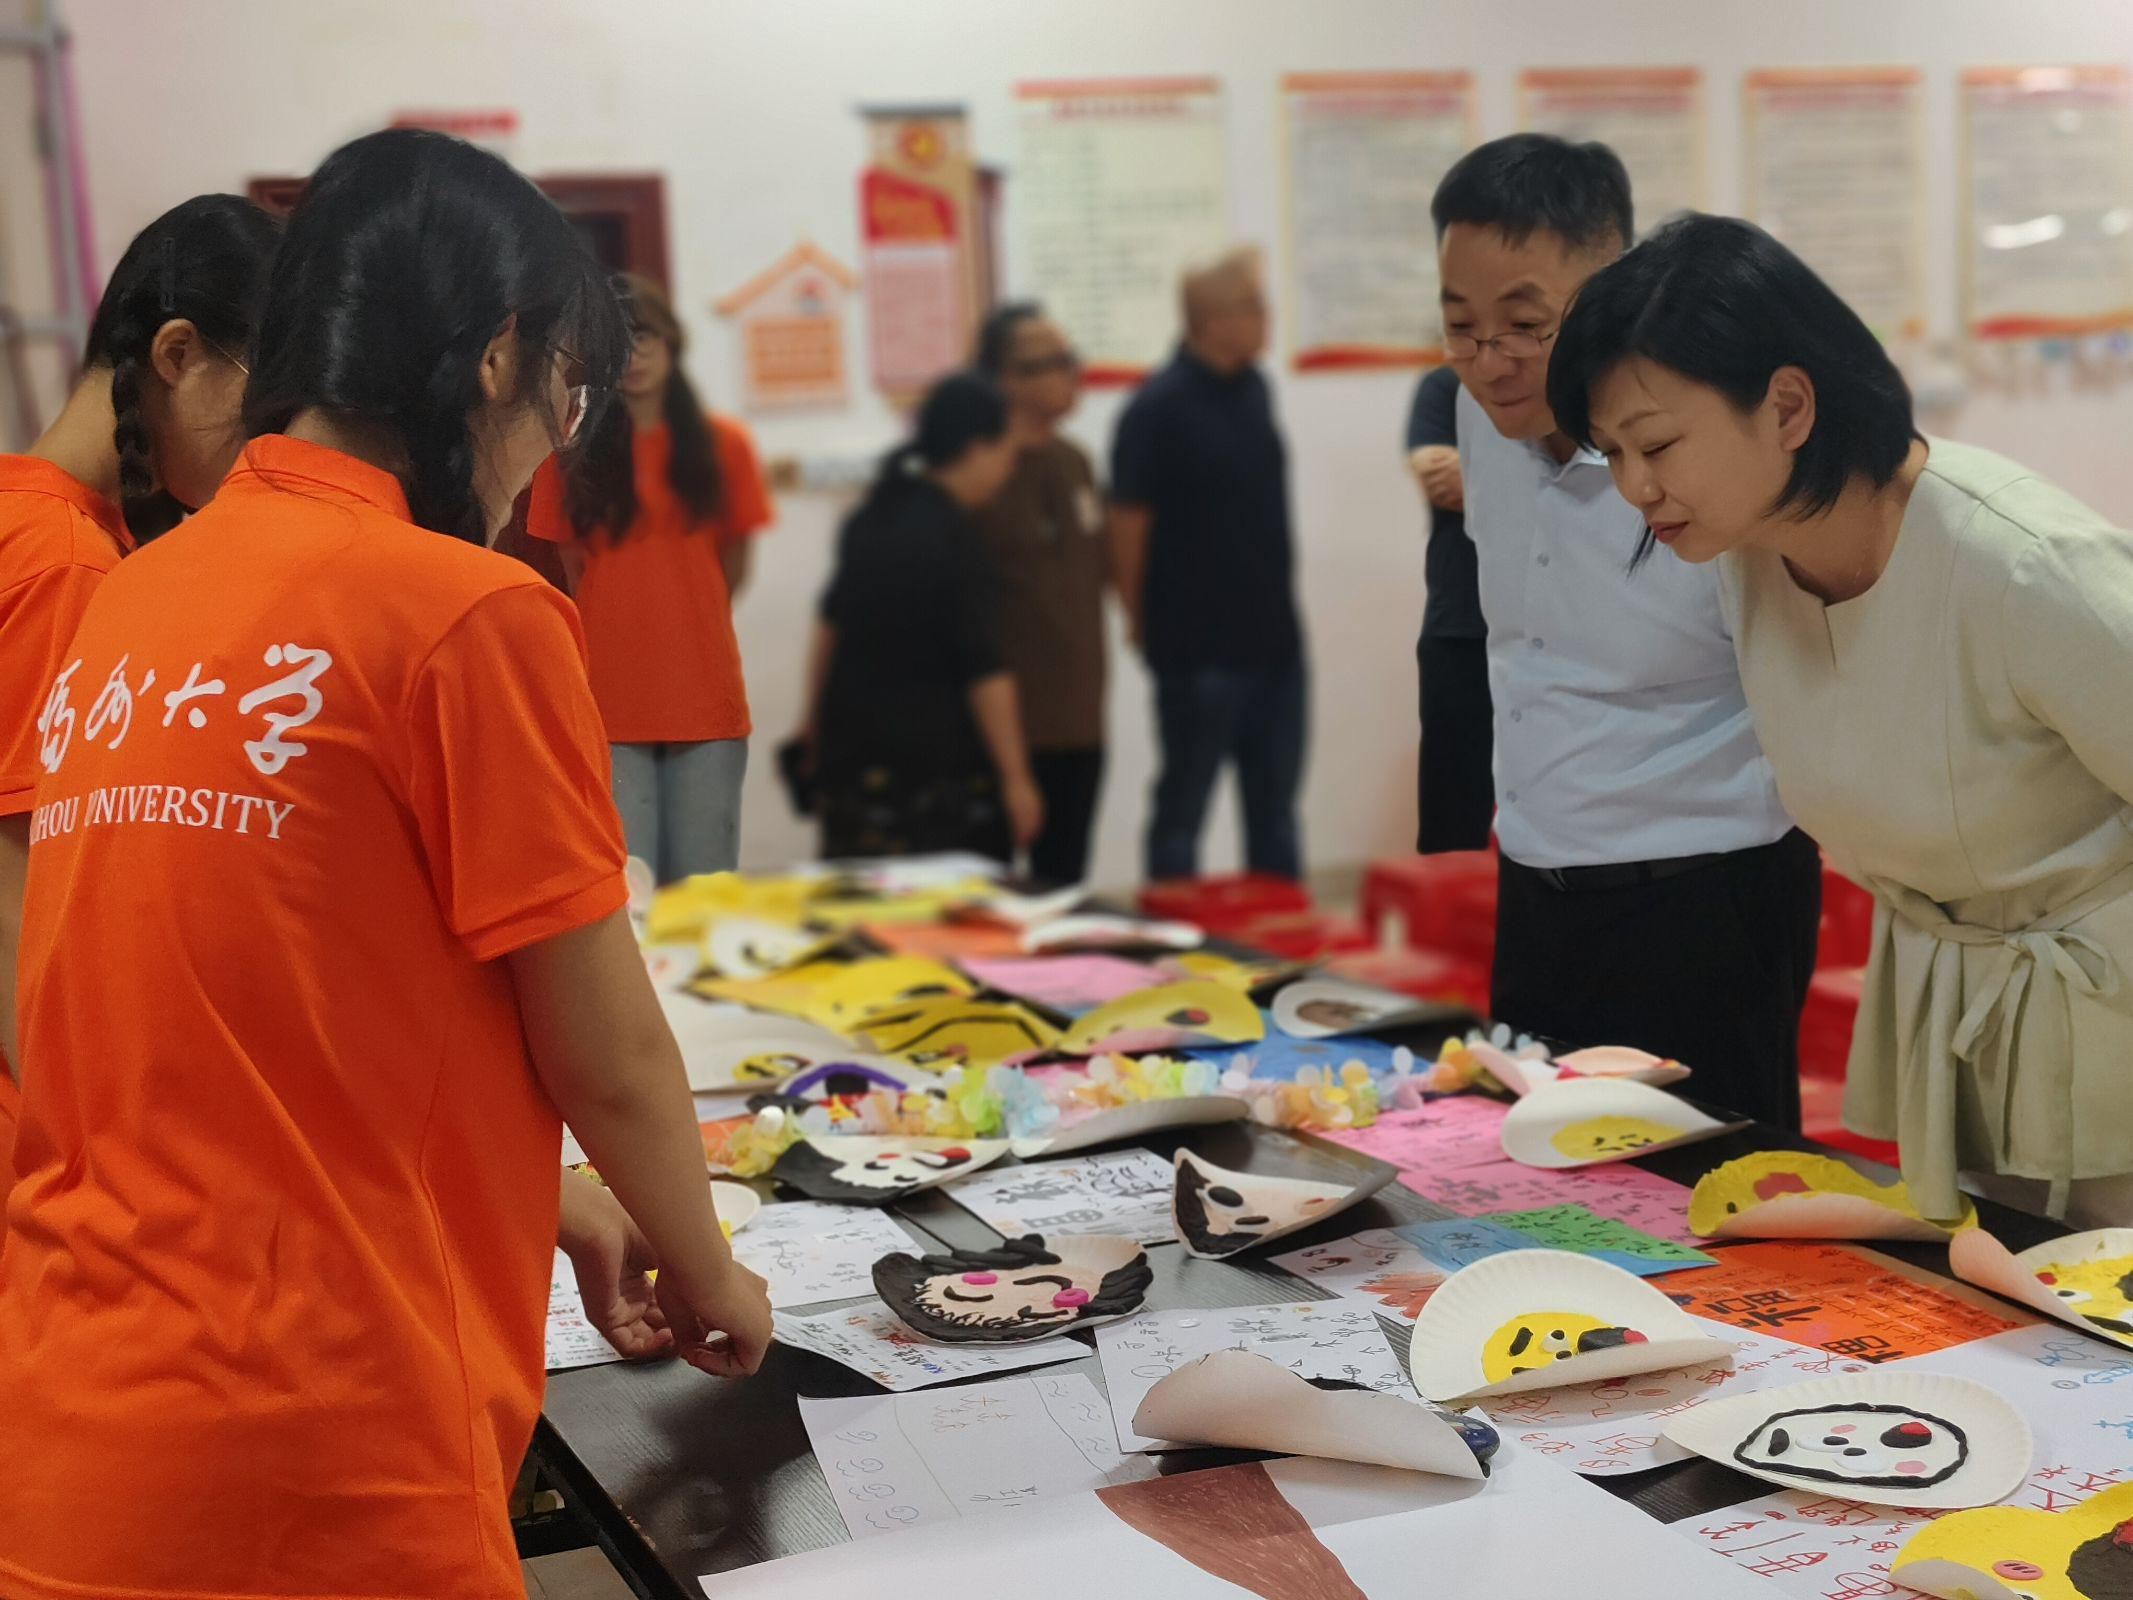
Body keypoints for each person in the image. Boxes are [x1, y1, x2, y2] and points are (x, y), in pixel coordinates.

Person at [0, 130, 770, 1600]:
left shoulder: (131, 600)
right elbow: (605, 1050)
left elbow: (240, 1008)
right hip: (318, 1447)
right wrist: (710, 1268)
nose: (553, 448)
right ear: (499, 357)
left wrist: (563, 1201)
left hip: (68, 1429)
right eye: (569, 395)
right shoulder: (468, 613)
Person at [1550, 212, 2133, 1227]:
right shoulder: (1747, 558)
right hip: (1968, 1014)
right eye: (1612, 454)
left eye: (1657, 444)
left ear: (1787, 406)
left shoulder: (2024, 565)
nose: (1635, 487)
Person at [1432, 135, 1819, 1129]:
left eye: (1525, 325)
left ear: (1614, 290)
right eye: (1461, 326)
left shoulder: (1706, 446)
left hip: (1702, 906)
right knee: (1540, 1177)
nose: (1490, 362)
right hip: (1536, 890)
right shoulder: (1484, 417)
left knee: (1714, 1196)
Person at [0, 195, 277, 1187]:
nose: (265, 450)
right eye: (263, 408)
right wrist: (88, 1145)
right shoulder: (65, 561)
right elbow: (18, 884)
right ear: (177, 353)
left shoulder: (29, 514)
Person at [529, 271, 774, 881]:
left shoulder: (724, 446)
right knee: (630, 889)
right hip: (610, 697)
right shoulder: (571, 458)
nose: (635, 357)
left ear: (672, 343)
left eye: (647, 339)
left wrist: (688, 612)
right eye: (620, 343)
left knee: (705, 889)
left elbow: (733, 563)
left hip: (705, 693)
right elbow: (572, 573)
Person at [1110, 247, 1307, 882]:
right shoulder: (1155, 408)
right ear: (1212, 321)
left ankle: (1281, 936)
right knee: (1182, 815)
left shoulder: (1255, 388)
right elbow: (1126, 525)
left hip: (1275, 645)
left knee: (1276, 815)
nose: (1267, 317)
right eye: (1254, 306)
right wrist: (1137, 619)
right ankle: (1174, 935)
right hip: (1197, 652)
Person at [798, 371, 1038, 864]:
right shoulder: (957, 538)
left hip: (854, 755)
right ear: (977, 448)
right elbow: (984, 669)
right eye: (1007, 453)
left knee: (862, 897)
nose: (1009, 469)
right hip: (935, 769)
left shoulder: (871, 517)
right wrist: (1017, 779)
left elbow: (830, 628)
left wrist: (812, 724)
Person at [972, 302, 1107, 885]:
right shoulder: (982, 472)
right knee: (990, 893)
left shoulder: (1076, 463)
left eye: (1069, 358)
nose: (1069, 374)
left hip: (1080, 717)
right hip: (1005, 728)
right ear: (1007, 379)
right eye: (1051, 363)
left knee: (1065, 886)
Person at [1404, 361, 1494, 852]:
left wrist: (1477, 475)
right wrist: (1536, 473)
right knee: (1453, 825)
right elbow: (1439, 479)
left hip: (1555, 631)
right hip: (1460, 629)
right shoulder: (1445, 385)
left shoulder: (1575, 383)